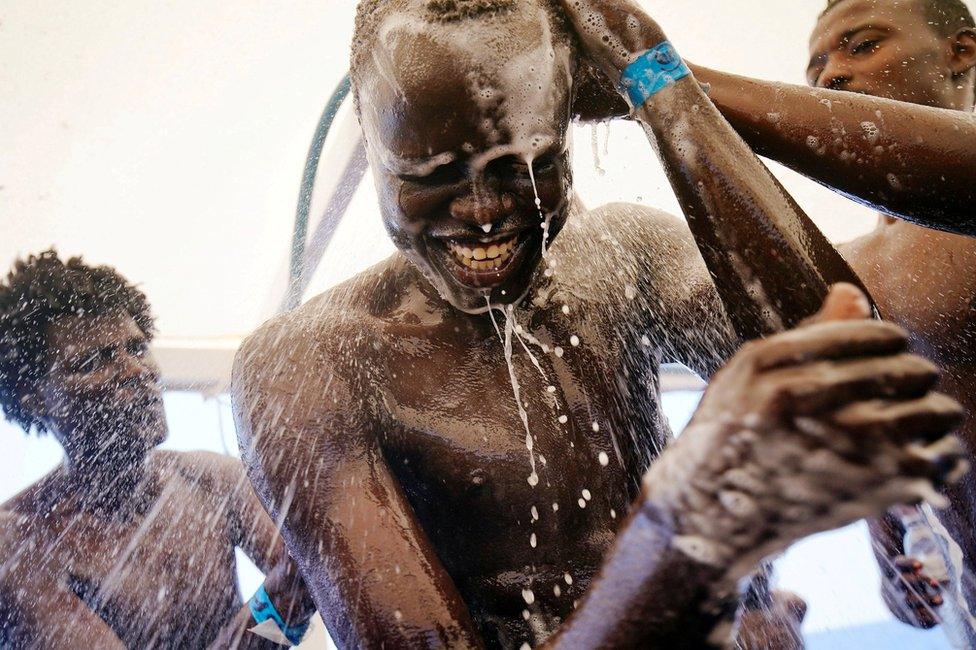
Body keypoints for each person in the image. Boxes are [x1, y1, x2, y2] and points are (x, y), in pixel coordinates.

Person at [233, 0, 965, 647]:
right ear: (370, 136)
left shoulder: (624, 255)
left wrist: (658, 79)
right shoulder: (311, 361)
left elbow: (840, 354)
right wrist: (684, 528)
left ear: (568, 123)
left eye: (529, 164)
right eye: (428, 178)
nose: (485, 210)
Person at [631, 0, 976, 632]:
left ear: (962, 51)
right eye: (816, 68)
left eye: (862, 45)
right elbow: (909, 570)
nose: (831, 76)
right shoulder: (849, 272)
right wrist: (902, 587)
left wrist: (655, 74)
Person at [0, 251, 314, 649]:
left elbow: (308, 582)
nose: (135, 371)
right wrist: (280, 600)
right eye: (93, 361)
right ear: (35, 400)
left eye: (136, 347)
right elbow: (293, 587)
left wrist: (279, 612)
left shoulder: (212, 480)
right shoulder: (18, 543)